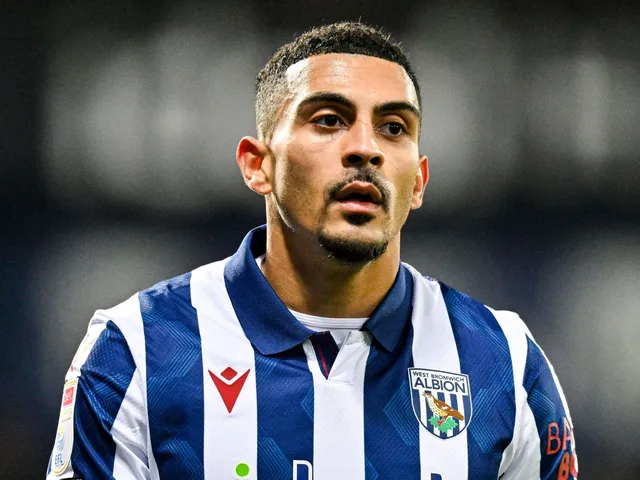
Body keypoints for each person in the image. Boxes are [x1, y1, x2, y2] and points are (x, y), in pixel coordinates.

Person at [47, 22, 577, 480]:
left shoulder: (503, 361)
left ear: (418, 182)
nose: (365, 148)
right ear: (258, 165)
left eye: (394, 128)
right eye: (328, 120)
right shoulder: (139, 350)